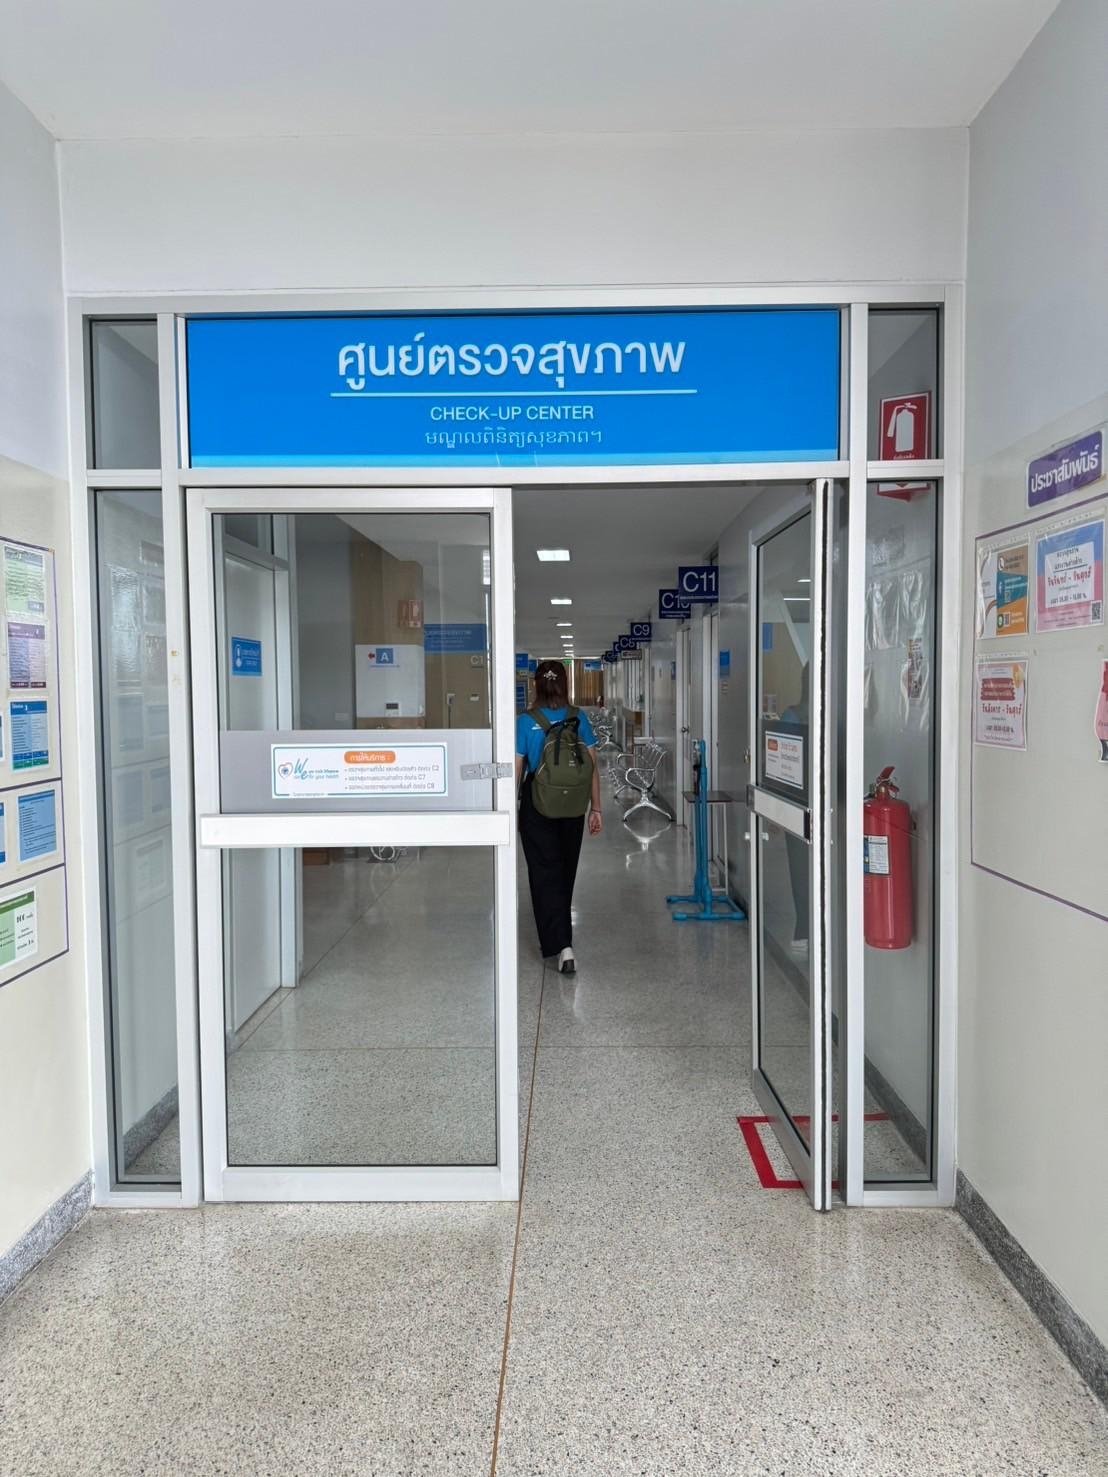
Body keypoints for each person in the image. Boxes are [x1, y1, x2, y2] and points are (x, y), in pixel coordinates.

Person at [516, 660, 602, 974]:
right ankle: (564, 942)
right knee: (565, 870)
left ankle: (559, 944)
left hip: (537, 804)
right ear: (565, 685)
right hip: (572, 805)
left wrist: (511, 811)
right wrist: (596, 808)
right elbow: (592, 767)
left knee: (543, 872)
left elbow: (517, 770)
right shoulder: (579, 717)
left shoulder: (526, 721)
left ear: (536, 685)